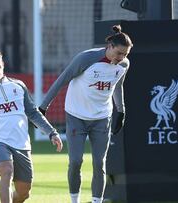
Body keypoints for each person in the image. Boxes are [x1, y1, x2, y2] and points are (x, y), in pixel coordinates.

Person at [39, 25, 133, 203]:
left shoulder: (124, 65)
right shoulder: (87, 58)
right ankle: (75, 200)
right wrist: (44, 106)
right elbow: (62, 79)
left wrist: (121, 111)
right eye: (119, 53)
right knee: (76, 162)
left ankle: (96, 201)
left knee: (100, 164)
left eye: (126, 54)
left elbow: (117, 86)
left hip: (102, 118)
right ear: (110, 46)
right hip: (76, 116)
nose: (122, 58)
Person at [0, 48, 63, 203]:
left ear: (3, 63)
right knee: (7, 171)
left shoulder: (18, 86)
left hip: (21, 143)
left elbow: (33, 113)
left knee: (24, 192)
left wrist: (51, 132)